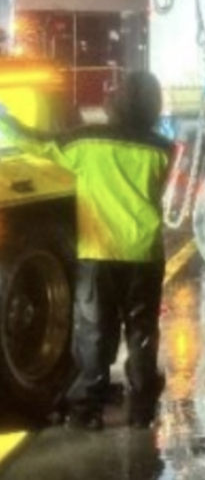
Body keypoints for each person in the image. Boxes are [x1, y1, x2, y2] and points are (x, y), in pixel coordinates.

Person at [0, 71, 173, 430]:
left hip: (100, 254)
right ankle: (142, 410)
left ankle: (86, 412)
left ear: (116, 102)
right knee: (142, 334)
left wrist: (3, 116)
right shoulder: (162, 148)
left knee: (95, 335)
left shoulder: (87, 142)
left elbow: (35, 143)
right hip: (145, 256)